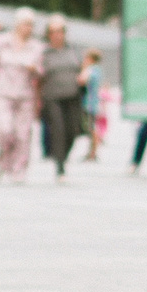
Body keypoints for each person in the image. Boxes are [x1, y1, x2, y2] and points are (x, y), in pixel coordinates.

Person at [0, 12, 46, 182]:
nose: (29, 28)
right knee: (5, 130)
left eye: (31, 25)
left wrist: (35, 70)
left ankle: (19, 169)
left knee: (23, 134)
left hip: (26, 95)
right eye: (26, 24)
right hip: (3, 93)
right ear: (17, 24)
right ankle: (3, 160)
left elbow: (42, 73)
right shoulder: (2, 42)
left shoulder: (37, 46)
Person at [39, 18, 84, 180]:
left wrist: (84, 76)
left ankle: (63, 156)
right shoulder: (44, 52)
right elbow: (38, 77)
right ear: (48, 34)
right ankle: (59, 166)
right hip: (52, 97)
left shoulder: (73, 50)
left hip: (73, 95)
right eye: (54, 32)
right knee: (58, 129)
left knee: (73, 130)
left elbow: (83, 67)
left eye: (61, 31)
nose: (58, 35)